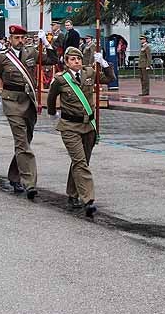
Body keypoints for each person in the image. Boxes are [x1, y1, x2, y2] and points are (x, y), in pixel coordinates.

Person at [47, 47, 115, 216]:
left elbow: (109, 78)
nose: (76, 61)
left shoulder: (89, 73)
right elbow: (51, 98)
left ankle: (72, 194)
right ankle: (88, 199)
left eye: (78, 58)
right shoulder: (61, 80)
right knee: (80, 162)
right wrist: (52, 113)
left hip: (88, 126)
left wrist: (104, 63)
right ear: (66, 62)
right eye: (72, 59)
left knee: (81, 161)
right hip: (69, 126)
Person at [0, 26, 43, 197]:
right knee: (21, 141)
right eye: (16, 37)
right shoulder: (2, 57)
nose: (20, 40)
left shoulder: (32, 53)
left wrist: (46, 43)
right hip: (11, 102)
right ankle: (29, 183)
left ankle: (14, 175)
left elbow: (52, 59)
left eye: (22, 37)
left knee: (26, 140)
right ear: (10, 39)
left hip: (29, 100)